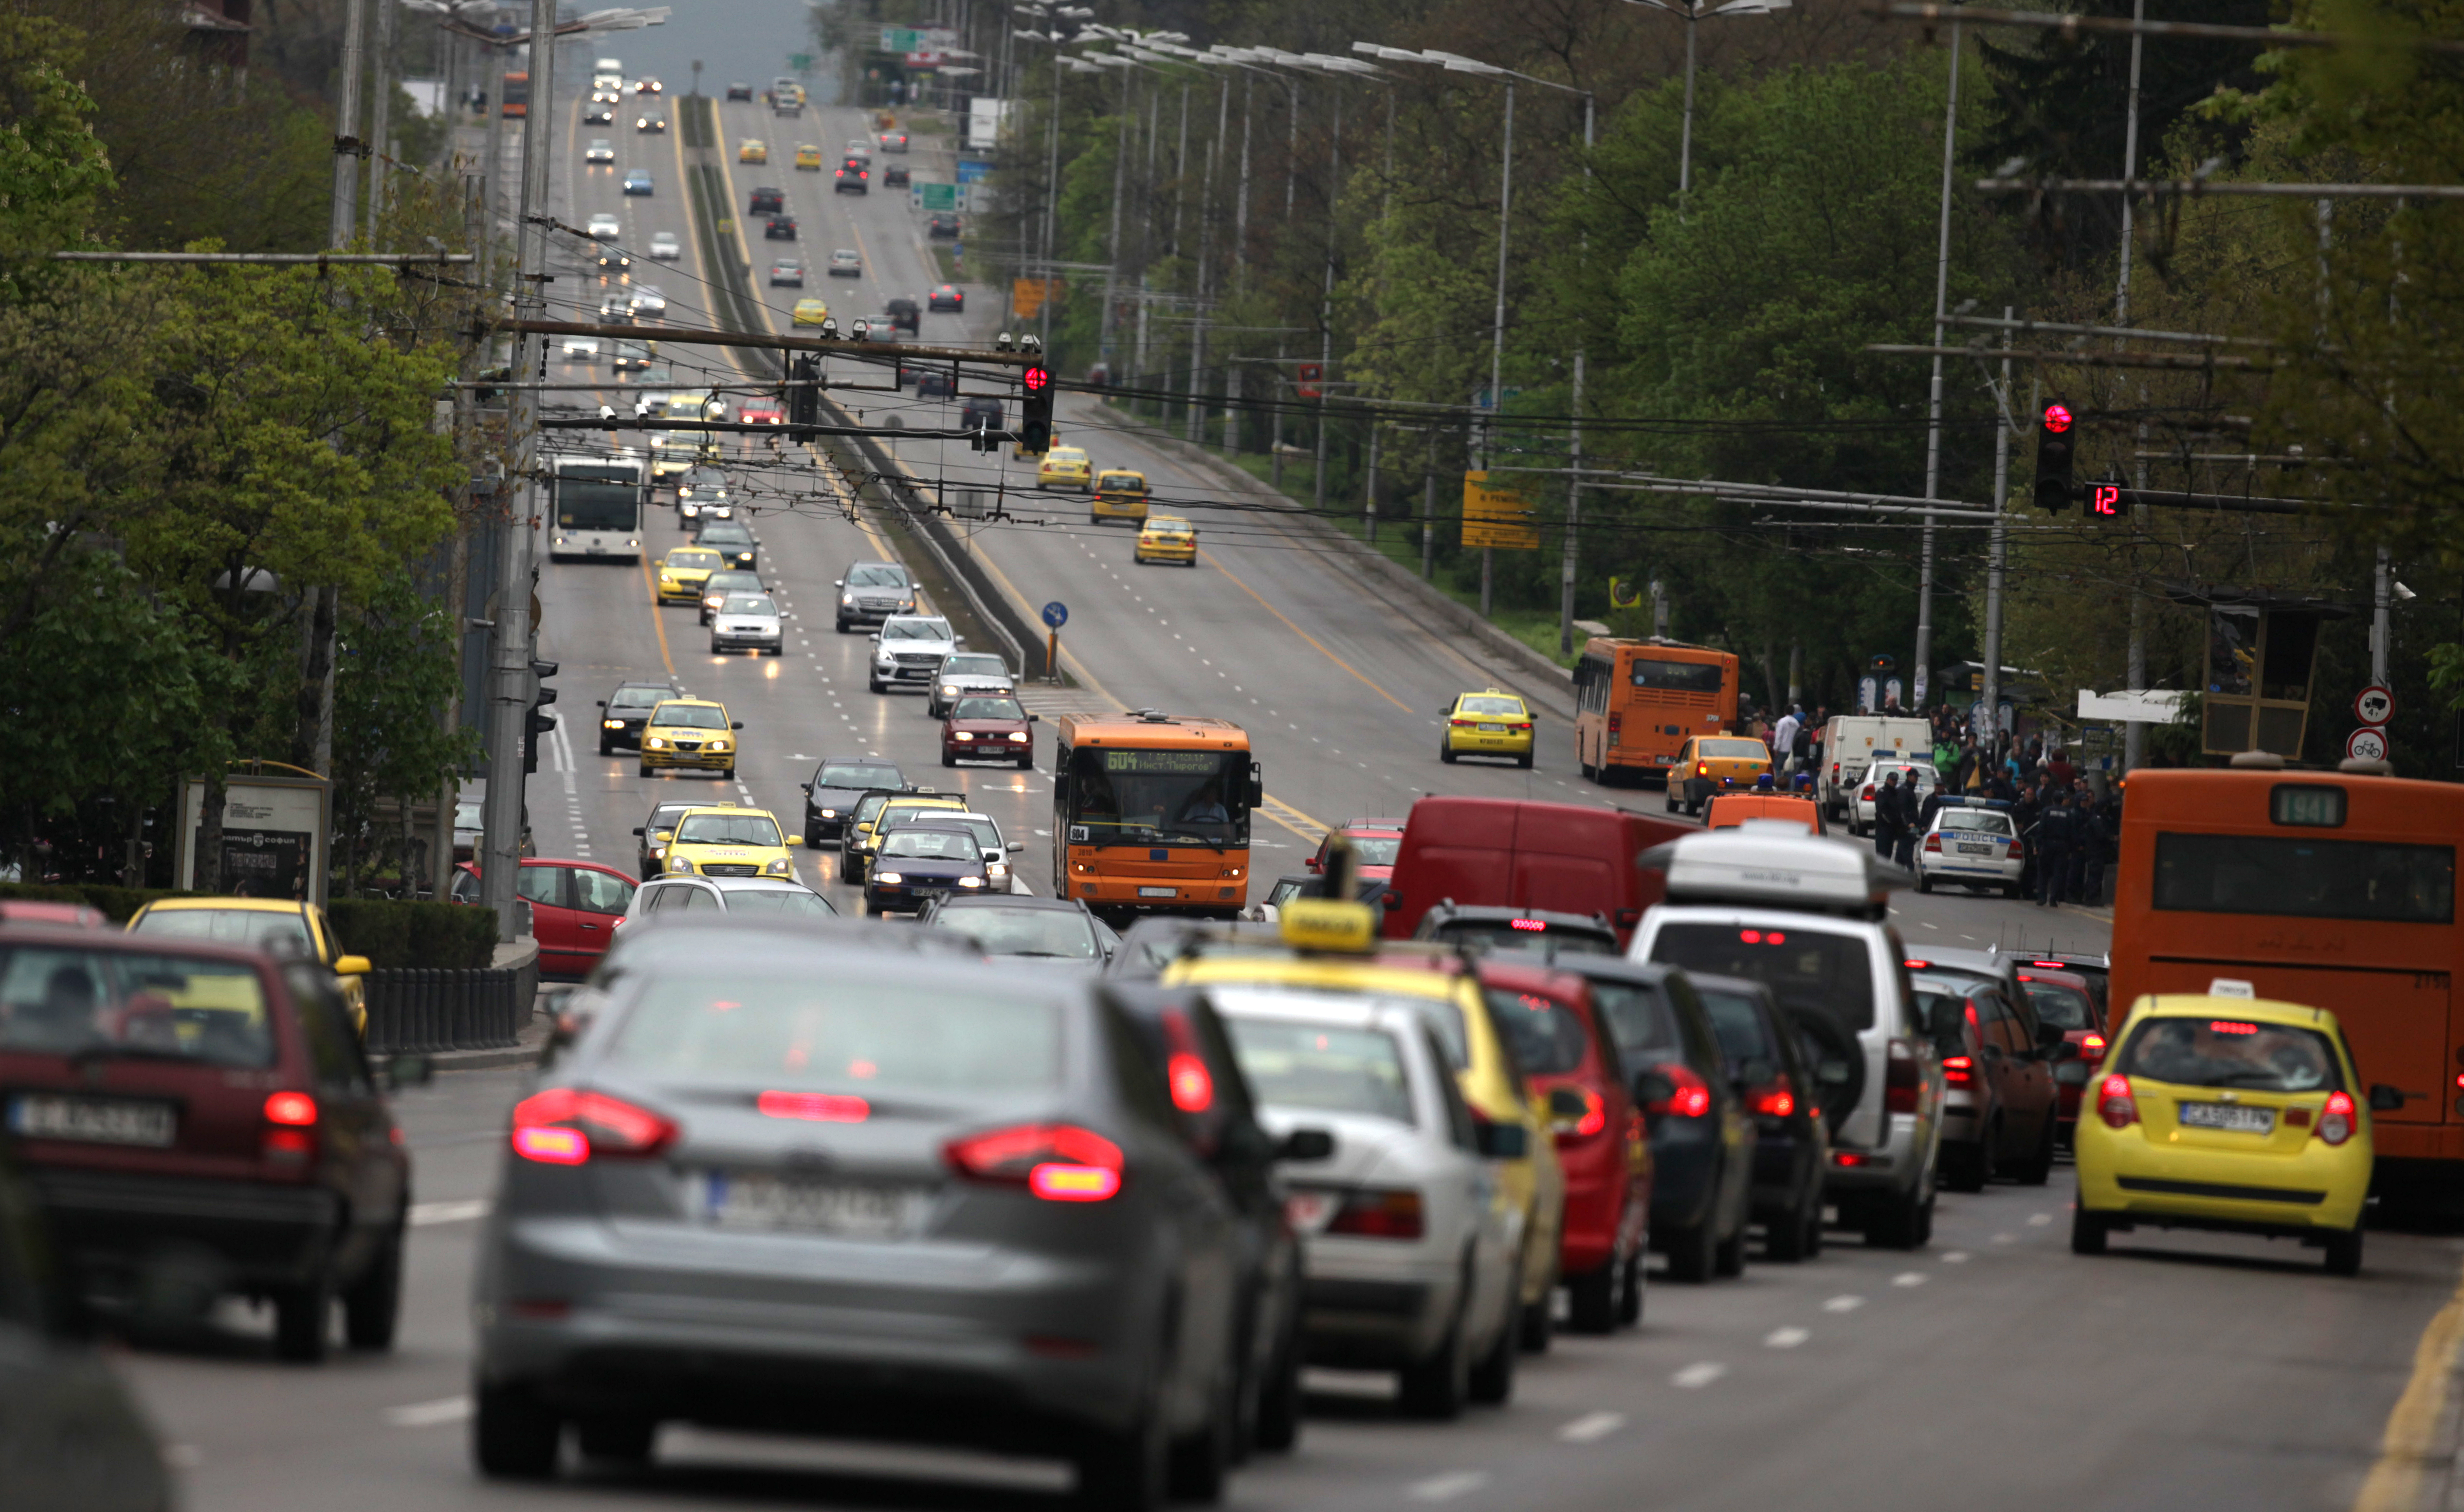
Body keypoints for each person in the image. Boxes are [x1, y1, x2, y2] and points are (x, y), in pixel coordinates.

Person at [2035, 789, 2077, 907]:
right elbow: (2072, 833)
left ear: (2053, 800)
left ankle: (2042, 897)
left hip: (2048, 845)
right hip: (2062, 846)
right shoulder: (2068, 813)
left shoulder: (2046, 811)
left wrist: (2038, 846)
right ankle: (2053, 899)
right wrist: (2071, 849)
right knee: (2058, 873)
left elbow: (2041, 830)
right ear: (2063, 801)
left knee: (2043, 872)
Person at [1872, 769, 1907, 861]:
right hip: (1883, 828)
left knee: (1888, 853)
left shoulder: (1896, 793)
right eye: (1892, 780)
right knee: (1881, 853)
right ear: (1888, 780)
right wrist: (1891, 821)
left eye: (1895, 780)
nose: (1893, 782)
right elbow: (1882, 811)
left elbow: (1899, 809)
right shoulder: (1882, 792)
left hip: (1893, 829)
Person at [1773, 705, 1802, 774]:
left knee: (1778, 768)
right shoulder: (1796, 723)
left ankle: (1779, 783)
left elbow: (1779, 736)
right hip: (1792, 750)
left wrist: (1776, 748)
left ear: (1785, 712)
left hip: (1782, 749)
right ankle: (1788, 783)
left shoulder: (1782, 721)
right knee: (1789, 770)